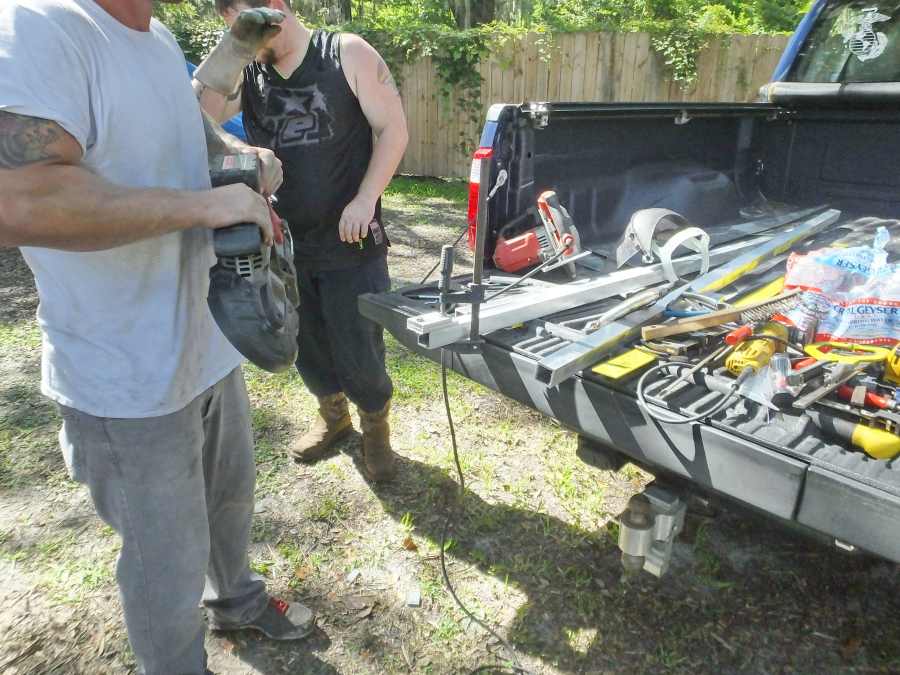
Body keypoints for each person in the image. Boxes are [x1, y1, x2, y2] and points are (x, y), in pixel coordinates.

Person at [0, 1, 315, 673]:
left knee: (229, 504)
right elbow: (20, 200)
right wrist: (206, 206)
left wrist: (242, 155)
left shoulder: (155, 35)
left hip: (204, 340)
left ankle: (237, 599)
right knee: (164, 564)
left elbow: (186, 137)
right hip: (126, 378)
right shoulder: (37, 25)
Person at [196, 0, 409, 482]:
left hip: (350, 239)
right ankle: (334, 419)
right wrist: (232, 53)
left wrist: (366, 199)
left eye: (250, 29)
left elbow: (392, 128)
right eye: (234, 32)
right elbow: (197, 117)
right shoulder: (248, 73)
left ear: (275, 7)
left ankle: (376, 430)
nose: (246, 42)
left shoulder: (345, 53)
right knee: (306, 344)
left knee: (360, 349)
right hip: (283, 243)